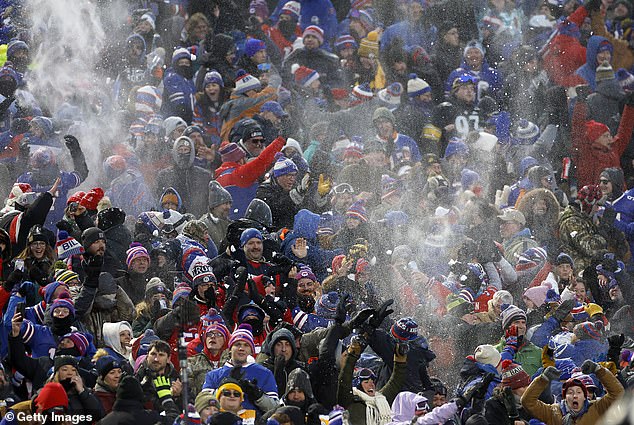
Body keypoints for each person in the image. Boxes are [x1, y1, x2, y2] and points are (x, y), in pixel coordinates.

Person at [520, 360, 624, 424]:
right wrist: (543, 379)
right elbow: (527, 402)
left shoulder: (596, 408)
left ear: (584, 396)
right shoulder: (553, 412)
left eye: (579, 392)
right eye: (570, 392)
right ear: (564, 397)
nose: (575, 396)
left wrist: (599, 370)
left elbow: (618, 394)